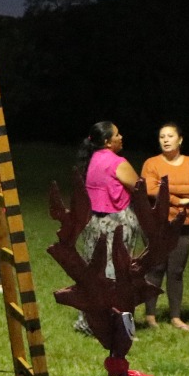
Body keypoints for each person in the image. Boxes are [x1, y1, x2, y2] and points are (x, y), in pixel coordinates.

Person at [72, 121, 140, 333]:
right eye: (117, 135)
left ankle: (90, 320)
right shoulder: (117, 162)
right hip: (116, 221)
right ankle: (114, 324)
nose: (121, 138)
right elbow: (138, 186)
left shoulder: (93, 160)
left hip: (95, 221)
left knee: (95, 270)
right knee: (116, 272)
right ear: (108, 142)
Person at [140, 123, 189, 332]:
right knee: (155, 269)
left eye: (170, 136)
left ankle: (176, 317)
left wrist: (165, 187)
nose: (165, 140)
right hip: (157, 224)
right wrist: (178, 199)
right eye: (161, 137)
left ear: (180, 139)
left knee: (176, 271)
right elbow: (149, 188)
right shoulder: (152, 163)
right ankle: (150, 316)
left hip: (184, 225)